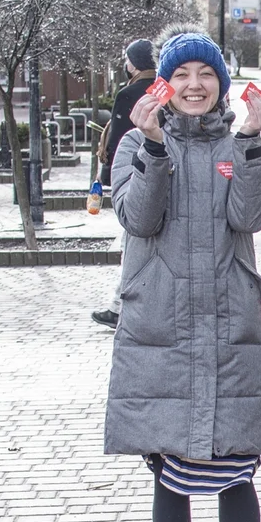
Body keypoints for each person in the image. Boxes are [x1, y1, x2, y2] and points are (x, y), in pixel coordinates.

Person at [105, 24, 261, 522]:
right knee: (169, 470)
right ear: (164, 85)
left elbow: (250, 217)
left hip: (228, 322)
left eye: (206, 75)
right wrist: (152, 148)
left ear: (220, 84)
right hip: (162, 326)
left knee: (235, 469)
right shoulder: (133, 143)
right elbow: (138, 218)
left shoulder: (238, 144)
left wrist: (254, 143)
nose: (195, 85)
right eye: (182, 76)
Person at [91, 38, 157, 329]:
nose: (124, 63)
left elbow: (119, 137)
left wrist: (105, 175)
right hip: (157, 169)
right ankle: (121, 304)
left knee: (132, 240)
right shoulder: (162, 89)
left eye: (127, 58)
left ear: (135, 62)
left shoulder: (129, 92)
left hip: (133, 173)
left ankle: (121, 305)